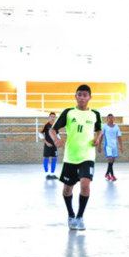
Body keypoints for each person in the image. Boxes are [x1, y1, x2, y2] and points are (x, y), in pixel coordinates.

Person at [49, 85, 101, 230]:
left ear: (90, 97)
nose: (82, 97)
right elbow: (53, 130)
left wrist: (97, 139)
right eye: (79, 94)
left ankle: (80, 217)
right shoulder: (69, 112)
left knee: (85, 185)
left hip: (88, 155)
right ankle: (71, 215)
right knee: (67, 189)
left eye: (85, 95)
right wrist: (56, 140)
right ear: (75, 96)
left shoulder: (95, 114)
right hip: (71, 157)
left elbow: (99, 130)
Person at [101, 113, 123, 182]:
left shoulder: (116, 126)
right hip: (108, 146)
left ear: (114, 118)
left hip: (114, 146)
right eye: (109, 118)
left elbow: (119, 137)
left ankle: (107, 173)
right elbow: (101, 136)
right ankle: (112, 175)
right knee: (110, 159)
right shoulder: (104, 126)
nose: (111, 119)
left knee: (112, 161)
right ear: (107, 119)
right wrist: (99, 146)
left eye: (112, 118)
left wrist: (121, 146)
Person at [40, 112, 59, 179]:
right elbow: (40, 134)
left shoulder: (56, 126)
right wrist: (46, 142)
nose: (52, 118)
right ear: (49, 117)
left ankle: (52, 174)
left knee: (54, 159)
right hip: (47, 145)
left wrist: (58, 141)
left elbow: (57, 135)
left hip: (54, 146)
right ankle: (47, 174)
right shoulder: (46, 125)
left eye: (54, 116)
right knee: (46, 159)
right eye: (51, 116)